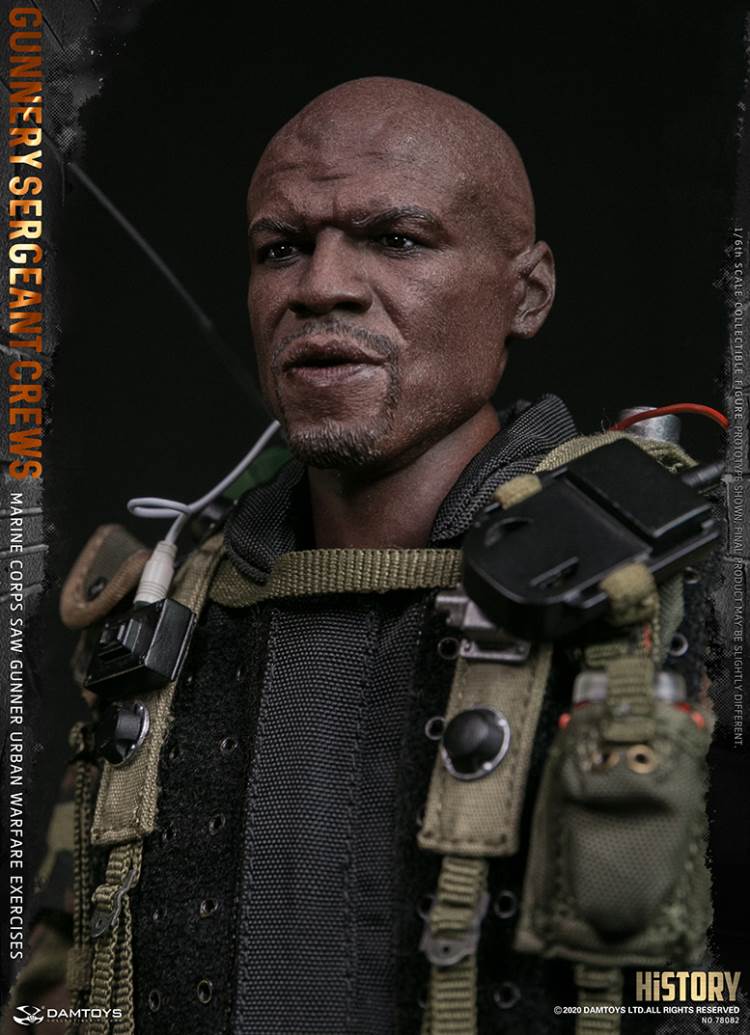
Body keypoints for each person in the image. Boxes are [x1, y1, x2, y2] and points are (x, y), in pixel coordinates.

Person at [5, 77, 717, 1035]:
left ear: (528, 293)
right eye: (281, 248)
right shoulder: (162, 618)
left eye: (398, 239)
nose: (319, 286)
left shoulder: (670, 594)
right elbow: (63, 976)